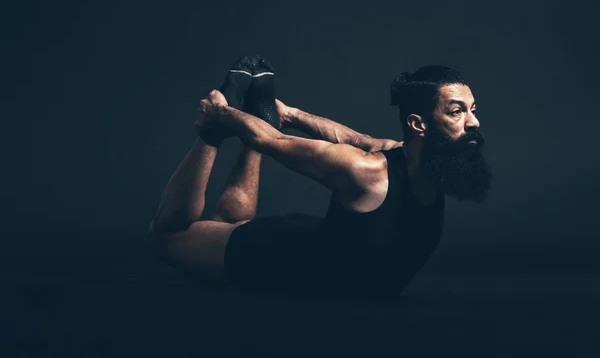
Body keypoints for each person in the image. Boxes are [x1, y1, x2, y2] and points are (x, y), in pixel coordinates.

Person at [149, 56, 492, 298]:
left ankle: (254, 111)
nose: (473, 121)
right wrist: (220, 115)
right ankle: (210, 134)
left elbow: (355, 138)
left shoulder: (425, 159)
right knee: (166, 237)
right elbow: (273, 141)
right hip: (273, 259)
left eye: (472, 109)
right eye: (457, 111)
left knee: (229, 221)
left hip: (310, 242)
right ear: (419, 125)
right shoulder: (365, 172)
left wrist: (292, 114)